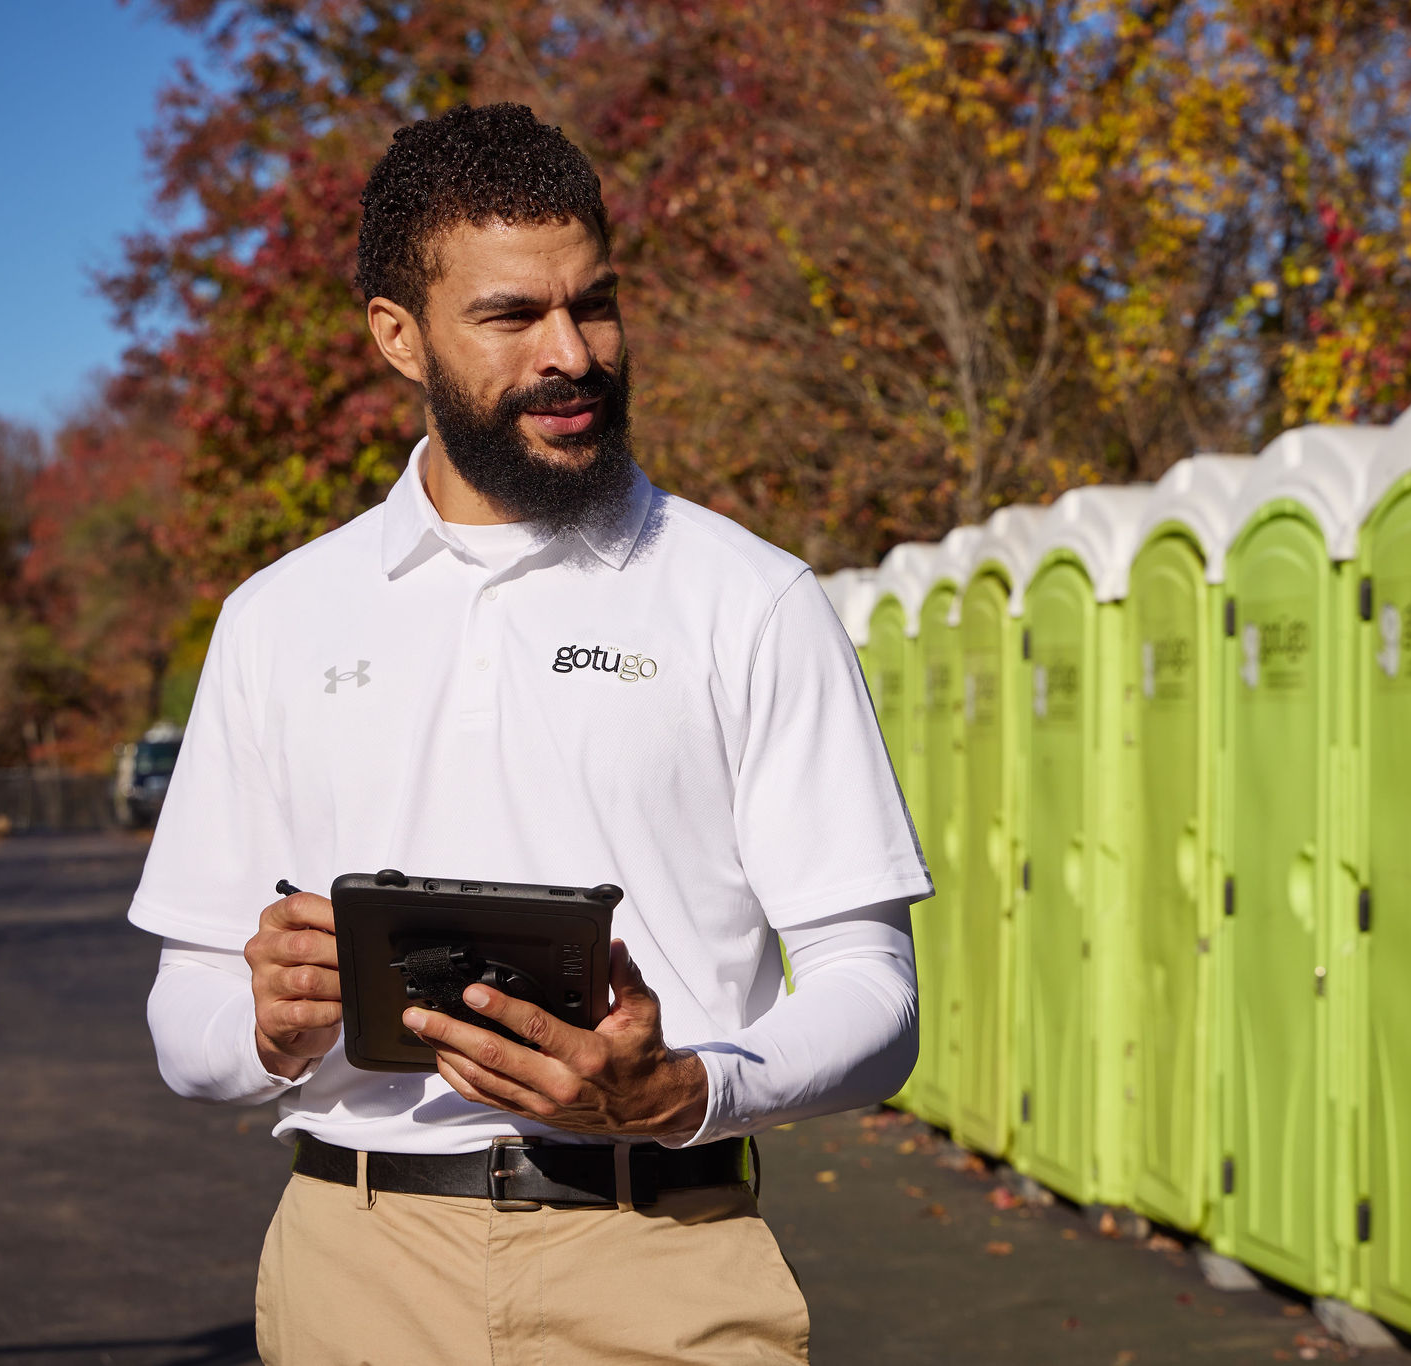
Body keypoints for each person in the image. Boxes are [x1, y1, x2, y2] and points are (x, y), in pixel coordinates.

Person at [131, 102, 930, 1365]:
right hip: (356, 1267)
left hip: (661, 1257)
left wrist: (685, 1090)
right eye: (512, 316)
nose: (573, 352)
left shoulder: (749, 597)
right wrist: (268, 1025)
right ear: (399, 336)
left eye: (594, 304)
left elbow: (874, 996)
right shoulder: (278, 618)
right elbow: (186, 1021)